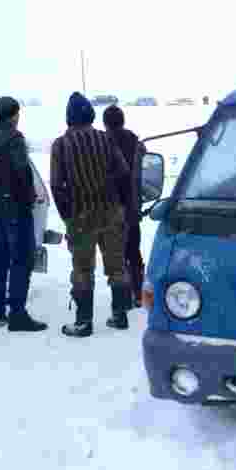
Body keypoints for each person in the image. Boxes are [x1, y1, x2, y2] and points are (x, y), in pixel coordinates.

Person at [50, 92, 132, 337]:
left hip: (81, 217)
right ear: (91, 116)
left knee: (83, 270)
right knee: (117, 266)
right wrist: (120, 203)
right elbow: (124, 172)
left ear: (69, 119)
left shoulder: (61, 145)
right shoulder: (105, 140)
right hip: (110, 212)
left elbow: (56, 185)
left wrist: (68, 216)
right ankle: (120, 315)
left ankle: (84, 322)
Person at [0, 96, 48, 332]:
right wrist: (29, 197)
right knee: (22, 260)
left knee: (0, 258)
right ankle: (18, 314)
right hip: (16, 207)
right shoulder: (15, 138)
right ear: (13, 115)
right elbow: (22, 173)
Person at [102, 104, 147, 308]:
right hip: (132, 205)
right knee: (134, 251)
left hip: (112, 206)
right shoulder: (135, 141)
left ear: (105, 123)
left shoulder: (103, 142)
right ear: (123, 120)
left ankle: (123, 297)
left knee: (116, 253)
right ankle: (138, 293)